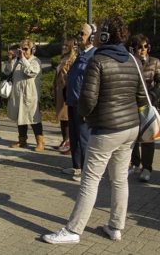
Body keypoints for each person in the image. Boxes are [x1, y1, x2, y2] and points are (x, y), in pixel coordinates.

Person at [43, 16, 147, 244]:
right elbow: (141, 96)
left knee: (90, 179)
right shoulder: (132, 59)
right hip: (130, 128)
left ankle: (73, 230)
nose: (95, 34)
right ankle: (116, 227)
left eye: (98, 31)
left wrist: (89, 117)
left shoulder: (98, 60)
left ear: (105, 35)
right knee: (119, 180)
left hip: (106, 129)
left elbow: (87, 101)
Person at [62, 23, 97, 181]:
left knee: (84, 138)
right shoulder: (81, 54)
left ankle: (85, 171)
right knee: (74, 136)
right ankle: (76, 167)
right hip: (72, 102)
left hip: (82, 104)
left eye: (82, 33)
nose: (79, 36)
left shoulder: (93, 56)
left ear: (92, 37)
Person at [128, 34, 160, 182]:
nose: (143, 50)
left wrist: (153, 96)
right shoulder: (131, 62)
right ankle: (135, 163)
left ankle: (146, 168)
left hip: (148, 103)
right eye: (139, 47)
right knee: (133, 135)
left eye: (145, 46)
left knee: (148, 136)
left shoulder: (155, 62)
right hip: (133, 103)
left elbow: (159, 83)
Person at [5, 39, 44, 152]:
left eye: (26, 49)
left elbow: (31, 72)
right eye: (21, 49)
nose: (23, 51)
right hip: (18, 94)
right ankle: (22, 140)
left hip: (30, 95)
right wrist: (11, 59)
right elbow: (7, 71)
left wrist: (22, 59)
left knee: (33, 118)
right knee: (20, 117)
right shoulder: (17, 60)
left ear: (32, 50)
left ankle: (40, 141)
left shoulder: (35, 61)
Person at [52, 38, 77, 154]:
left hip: (66, 91)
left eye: (67, 46)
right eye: (63, 45)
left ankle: (69, 142)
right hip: (59, 90)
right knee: (62, 118)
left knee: (66, 117)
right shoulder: (63, 58)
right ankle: (64, 140)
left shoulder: (73, 59)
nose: (64, 47)